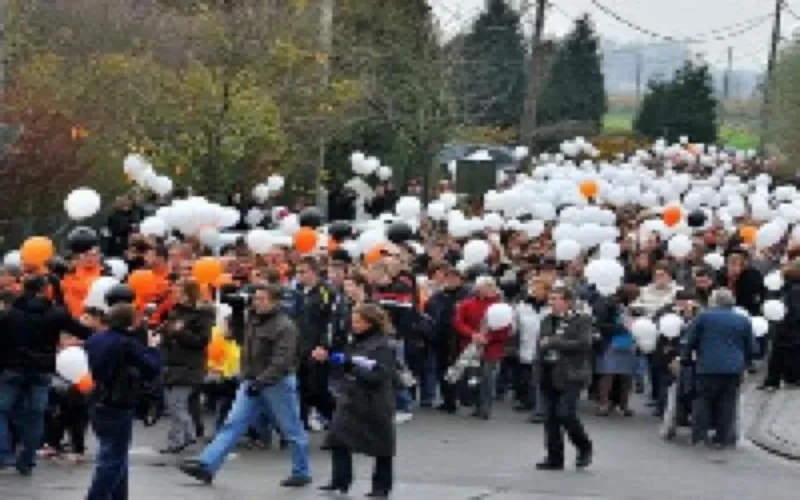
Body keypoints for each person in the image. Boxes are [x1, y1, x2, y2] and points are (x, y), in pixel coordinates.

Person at [179, 284, 311, 488]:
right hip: (253, 379)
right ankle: (207, 465)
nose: (257, 302)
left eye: (262, 299)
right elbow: (239, 339)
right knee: (233, 424)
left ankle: (302, 471)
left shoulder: (285, 326)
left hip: (276, 383)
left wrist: (261, 381)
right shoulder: (254, 319)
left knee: (291, 428)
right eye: (256, 298)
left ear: (275, 302)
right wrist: (237, 313)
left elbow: (282, 360)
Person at [0, 276, 93, 476]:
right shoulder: (56, 314)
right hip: (41, 369)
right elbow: (83, 332)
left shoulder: (9, 314)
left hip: (12, 369)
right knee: (36, 416)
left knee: (2, 411)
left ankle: (5, 454)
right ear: (44, 289)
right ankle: (28, 460)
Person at [311, 303, 396, 498]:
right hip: (350, 397)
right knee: (338, 438)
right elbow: (344, 360)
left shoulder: (383, 345)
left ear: (370, 323)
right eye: (353, 321)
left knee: (381, 446)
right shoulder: (353, 341)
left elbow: (380, 375)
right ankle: (340, 481)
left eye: (358, 322)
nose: (354, 325)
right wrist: (329, 358)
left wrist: (349, 365)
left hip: (375, 401)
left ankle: (381, 487)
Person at [84, 303, 163, 500]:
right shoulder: (126, 344)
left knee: (112, 451)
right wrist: (153, 348)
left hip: (96, 398)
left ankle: (118, 495)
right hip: (119, 401)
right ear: (132, 321)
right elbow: (151, 368)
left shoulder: (95, 339)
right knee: (113, 457)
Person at [680, 288, 755, 448]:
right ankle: (722, 438)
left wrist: (685, 358)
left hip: (708, 366)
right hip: (733, 368)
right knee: (727, 402)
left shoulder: (703, 317)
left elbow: (691, 339)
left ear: (714, 301)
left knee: (703, 400)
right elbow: (752, 347)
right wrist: (747, 364)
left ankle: (700, 436)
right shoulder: (743, 320)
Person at [536, 287, 594, 471]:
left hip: (571, 373)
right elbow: (541, 342)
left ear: (567, 302)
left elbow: (584, 344)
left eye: (556, 299)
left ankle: (584, 446)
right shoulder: (547, 320)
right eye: (550, 299)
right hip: (549, 370)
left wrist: (555, 342)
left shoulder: (581, 320)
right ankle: (554, 457)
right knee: (550, 417)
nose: (551, 302)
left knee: (566, 413)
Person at [159, 279, 214, 454]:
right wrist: (165, 334)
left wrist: (180, 333)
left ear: (188, 294)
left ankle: (187, 435)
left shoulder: (202, 315)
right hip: (172, 362)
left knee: (177, 403)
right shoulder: (175, 312)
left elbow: (202, 341)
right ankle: (176, 440)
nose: (175, 294)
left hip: (190, 364)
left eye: (179, 291)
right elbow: (169, 333)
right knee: (175, 403)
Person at [453, 276, 510, 420]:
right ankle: (475, 403)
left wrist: (487, 338)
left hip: (492, 348)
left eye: (491, 286)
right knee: (472, 376)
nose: (489, 289)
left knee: (487, 377)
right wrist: (472, 334)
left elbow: (505, 328)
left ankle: (485, 407)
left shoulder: (501, 306)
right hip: (471, 346)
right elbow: (458, 322)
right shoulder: (467, 304)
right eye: (486, 286)